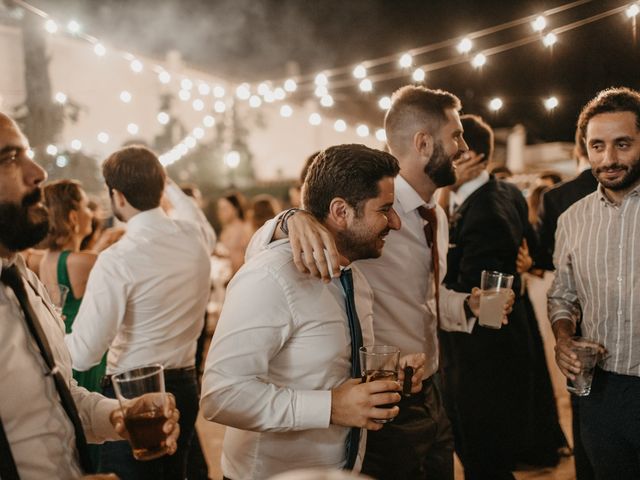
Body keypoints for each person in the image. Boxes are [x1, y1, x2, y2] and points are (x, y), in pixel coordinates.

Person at [247, 86, 514, 479]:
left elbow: (426, 302)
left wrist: (467, 307)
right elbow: (270, 252)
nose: (463, 147)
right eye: (455, 135)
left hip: (432, 390)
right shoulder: (365, 209)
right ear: (423, 143)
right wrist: (287, 220)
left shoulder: (434, 216)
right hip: (383, 399)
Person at [201, 144, 425, 479]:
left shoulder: (356, 279)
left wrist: (388, 375)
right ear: (340, 211)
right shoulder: (271, 276)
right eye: (385, 209)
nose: (395, 223)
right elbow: (220, 395)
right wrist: (331, 408)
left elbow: (330, 368)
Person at [0, 112, 179, 479]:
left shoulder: (20, 278)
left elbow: (54, 396)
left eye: (27, 153)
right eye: (8, 158)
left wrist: (115, 415)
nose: (38, 172)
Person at [65, 145, 215, 480]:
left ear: (117, 196)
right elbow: (193, 215)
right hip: (186, 386)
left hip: (133, 394)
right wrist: (163, 181)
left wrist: (49, 335)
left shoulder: (116, 260)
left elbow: (85, 354)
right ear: (162, 187)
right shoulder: (197, 238)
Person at [438, 114, 566, 479]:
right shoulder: (504, 191)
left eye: (447, 150)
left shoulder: (485, 211)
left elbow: (490, 304)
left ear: (468, 154)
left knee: (484, 458)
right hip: (502, 346)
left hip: (482, 358)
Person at [549, 87, 640, 479]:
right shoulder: (571, 219)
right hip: (601, 393)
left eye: (623, 144)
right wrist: (563, 337)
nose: (609, 159)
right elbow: (562, 295)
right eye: (597, 146)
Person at [216, 192, 251, 275]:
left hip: (242, 277)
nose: (220, 212)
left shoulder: (245, 229)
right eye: (219, 208)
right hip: (227, 278)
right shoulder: (226, 229)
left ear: (236, 209)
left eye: (224, 208)